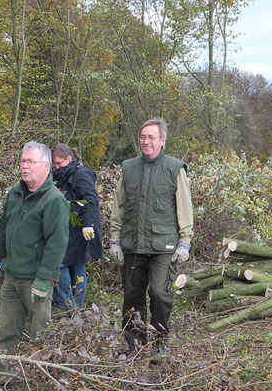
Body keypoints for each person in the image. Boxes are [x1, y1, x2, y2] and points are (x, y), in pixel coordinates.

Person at [109, 118, 193, 358]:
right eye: (143, 137)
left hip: (163, 246)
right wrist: (115, 239)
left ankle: (160, 341)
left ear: (162, 140)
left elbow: (184, 208)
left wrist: (184, 242)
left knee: (159, 293)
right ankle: (135, 344)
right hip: (133, 244)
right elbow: (119, 206)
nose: (146, 141)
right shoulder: (129, 168)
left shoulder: (175, 169)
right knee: (132, 296)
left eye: (151, 137)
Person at [0, 141, 69, 371]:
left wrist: (44, 279)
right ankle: (1, 379)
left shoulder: (54, 200)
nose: (25, 166)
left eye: (30, 162)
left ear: (46, 166)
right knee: (7, 333)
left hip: (36, 282)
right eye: (23, 161)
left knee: (39, 337)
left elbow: (57, 244)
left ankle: (38, 378)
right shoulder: (14, 194)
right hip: (12, 277)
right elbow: (3, 228)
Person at [51, 144, 103, 311]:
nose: (57, 167)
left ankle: (71, 307)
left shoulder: (81, 174)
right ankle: (73, 308)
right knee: (71, 264)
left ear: (69, 159)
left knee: (65, 264)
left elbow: (91, 200)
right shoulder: (61, 176)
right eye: (55, 164)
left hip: (79, 230)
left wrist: (88, 225)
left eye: (60, 163)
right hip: (66, 228)